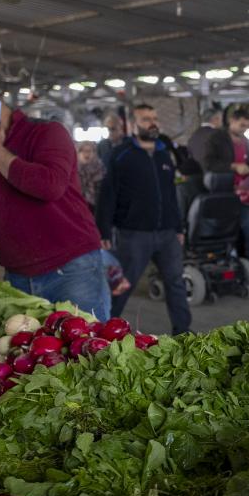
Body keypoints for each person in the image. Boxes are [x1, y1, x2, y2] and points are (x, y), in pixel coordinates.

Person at [0, 60, 110, 319]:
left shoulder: (46, 133)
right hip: (17, 276)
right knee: (30, 354)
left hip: (72, 270)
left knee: (88, 351)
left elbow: (49, 186)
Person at [97, 103, 191, 335]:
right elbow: (107, 194)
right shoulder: (120, 155)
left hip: (168, 233)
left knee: (176, 284)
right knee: (121, 286)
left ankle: (183, 333)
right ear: (132, 124)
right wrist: (104, 230)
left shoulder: (164, 153)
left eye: (154, 118)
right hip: (134, 234)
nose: (152, 123)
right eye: (146, 119)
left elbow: (171, 194)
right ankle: (104, 332)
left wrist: (178, 227)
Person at [202, 108, 249, 277]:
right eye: (242, 125)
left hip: (246, 196)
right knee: (225, 235)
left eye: (247, 126)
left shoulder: (246, 142)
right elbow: (208, 164)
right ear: (231, 120)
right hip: (225, 195)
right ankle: (225, 271)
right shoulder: (216, 138)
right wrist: (233, 166)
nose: (244, 129)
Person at [177, 106, 222, 217]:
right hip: (212, 182)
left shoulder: (194, 135)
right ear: (215, 119)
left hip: (194, 179)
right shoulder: (218, 135)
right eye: (220, 119)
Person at [76, 141, 104, 214]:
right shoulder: (73, 170)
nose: (87, 154)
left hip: (97, 207)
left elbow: (102, 192)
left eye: (90, 151)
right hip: (77, 206)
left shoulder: (100, 169)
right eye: (83, 150)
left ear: (94, 153)